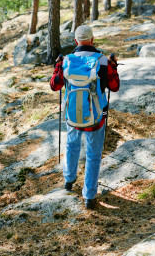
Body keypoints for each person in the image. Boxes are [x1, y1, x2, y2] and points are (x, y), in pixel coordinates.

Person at [50, 25, 120, 209]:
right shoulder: (102, 60)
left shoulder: (67, 60)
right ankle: (89, 196)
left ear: (75, 41)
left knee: (72, 144)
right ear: (92, 39)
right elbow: (114, 86)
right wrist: (114, 66)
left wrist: (57, 66)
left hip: (72, 114)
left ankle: (68, 180)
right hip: (96, 115)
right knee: (93, 154)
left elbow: (55, 86)